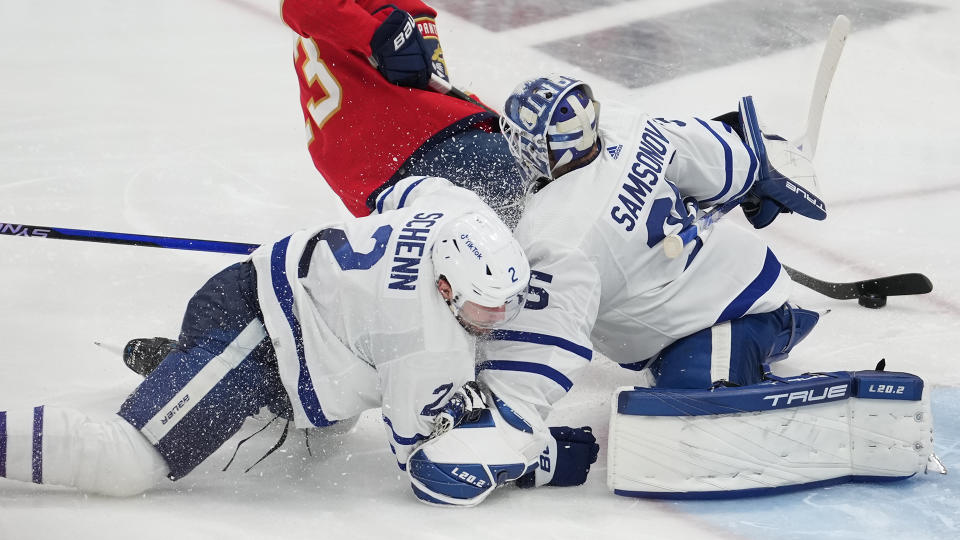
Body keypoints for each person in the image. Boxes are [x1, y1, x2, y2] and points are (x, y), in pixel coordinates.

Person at [0, 177, 588, 500]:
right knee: (125, 464)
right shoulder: (427, 346)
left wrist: (354, 287)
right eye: (485, 310)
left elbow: (399, 192)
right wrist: (533, 457)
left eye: (508, 301)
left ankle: (178, 369)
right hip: (255, 339)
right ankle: (189, 373)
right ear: (443, 284)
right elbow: (420, 456)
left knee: (322, 443)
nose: (499, 320)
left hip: (274, 308)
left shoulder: (454, 212)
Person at [399, 74, 829, 504]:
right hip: (744, 277)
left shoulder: (559, 234)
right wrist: (756, 175)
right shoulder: (630, 125)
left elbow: (545, 345)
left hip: (726, 317)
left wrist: (510, 433)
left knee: (693, 420)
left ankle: (778, 392)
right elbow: (724, 159)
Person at [122, 0, 527, 371]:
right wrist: (376, 35)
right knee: (542, 217)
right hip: (421, 147)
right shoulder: (389, 11)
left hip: (379, 170)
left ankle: (226, 355)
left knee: (402, 288)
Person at [280, 0, 524, 221]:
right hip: (407, 150)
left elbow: (434, 88)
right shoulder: (395, 8)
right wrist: (373, 34)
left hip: (372, 171)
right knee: (542, 174)